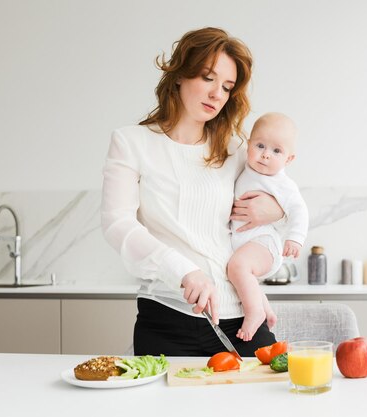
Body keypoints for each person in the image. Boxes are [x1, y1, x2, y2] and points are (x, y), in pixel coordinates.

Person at [101, 27, 284, 357]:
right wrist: (183, 271)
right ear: (179, 75)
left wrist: (277, 209)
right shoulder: (132, 143)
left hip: (241, 317)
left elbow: (282, 200)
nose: (217, 94)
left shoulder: (237, 149)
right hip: (167, 317)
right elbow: (118, 225)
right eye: (208, 78)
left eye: (227, 87)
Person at [228, 112, 309, 341]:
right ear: (249, 144)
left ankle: (254, 313)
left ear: (289, 159)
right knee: (242, 274)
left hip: (265, 243)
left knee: (239, 266)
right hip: (245, 242)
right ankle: (266, 309)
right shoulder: (244, 167)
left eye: (276, 151)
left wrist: (295, 238)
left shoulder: (283, 184)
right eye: (260, 145)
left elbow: (299, 210)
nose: (265, 155)